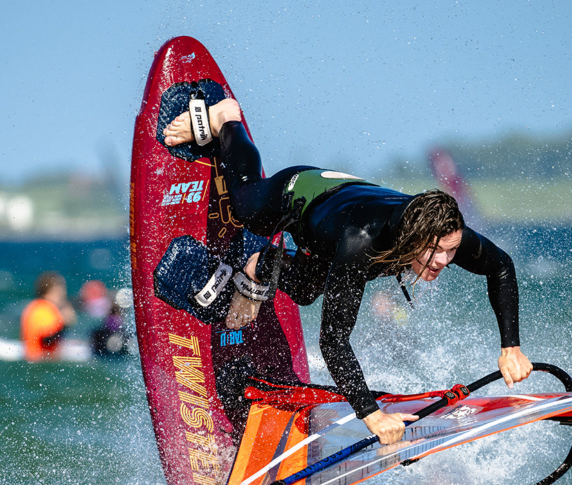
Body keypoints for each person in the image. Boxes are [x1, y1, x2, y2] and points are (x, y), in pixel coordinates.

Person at [162, 99, 532, 445]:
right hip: (306, 193)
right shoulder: (361, 243)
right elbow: (334, 341)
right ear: (416, 236)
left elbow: (500, 266)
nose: (445, 262)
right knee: (247, 209)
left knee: (307, 291)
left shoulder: (443, 231)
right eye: (438, 253)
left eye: (452, 251)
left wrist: (510, 348)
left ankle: (264, 264)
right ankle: (225, 118)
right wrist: (371, 414)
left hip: (341, 220)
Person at [21, 272, 77, 362]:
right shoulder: (44, 309)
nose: (64, 294)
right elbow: (47, 339)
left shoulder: (36, 306)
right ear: (53, 291)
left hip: (36, 358)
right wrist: (65, 324)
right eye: (62, 290)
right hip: (41, 360)